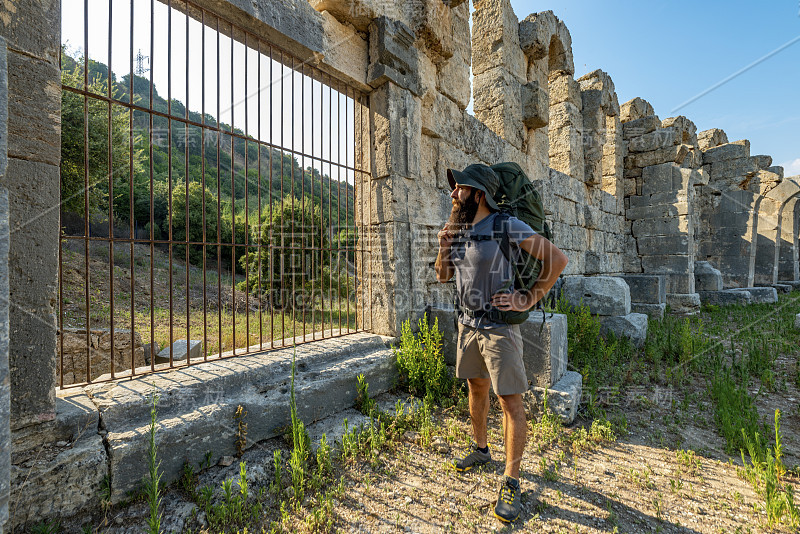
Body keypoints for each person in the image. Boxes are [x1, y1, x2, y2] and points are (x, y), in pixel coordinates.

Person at [434, 163, 569, 523]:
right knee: (476, 389)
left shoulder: (506, 225)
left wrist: (528, 299)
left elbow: (557, 259)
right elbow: (443, 275)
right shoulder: (459, 229)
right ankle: (481, 450)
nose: (453, 193)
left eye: (459, 187)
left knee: (510, 402)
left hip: (498, 329)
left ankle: (511, 480)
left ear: (479, 194)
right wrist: (443, 247)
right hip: (466, 324)